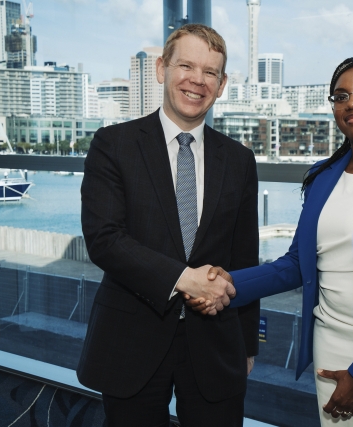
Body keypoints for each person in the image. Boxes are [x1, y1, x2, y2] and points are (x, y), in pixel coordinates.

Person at [187, 57, 353, 426]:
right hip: (329, 352)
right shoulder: (322, 176)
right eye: (341, 96)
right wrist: (226, 284)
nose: (352, 103)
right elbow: (296, 263)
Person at [76, 24, 259, 427]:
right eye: (187, 66)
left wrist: (247, 344)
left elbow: (245, 256)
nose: (198, 80)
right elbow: (105, 240)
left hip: (216, 345)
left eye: (210, 72)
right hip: (131, 340)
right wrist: (184, 279)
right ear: (162, 69)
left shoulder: (240, 160)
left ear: (222, 84)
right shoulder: (113, 144)